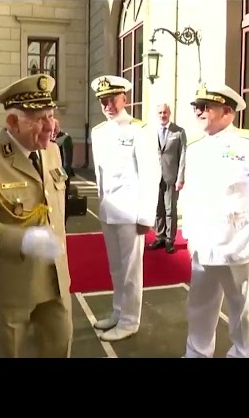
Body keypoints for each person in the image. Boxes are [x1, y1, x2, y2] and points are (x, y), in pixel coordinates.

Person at [0, 73, 73, 358]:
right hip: (12, 286)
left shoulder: (52, 152)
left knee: (59, 350)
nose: (51, 126)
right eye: (39, 119)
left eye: (51, 114)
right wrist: (21, 240)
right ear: (12, 123)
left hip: (55, 280)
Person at [181, 83, 249, 358]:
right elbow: (191, 194)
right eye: (196, 107)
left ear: (228, 111)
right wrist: (188, 235)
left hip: (239, 245)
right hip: (204, 246)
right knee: (199, 307)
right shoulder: (194, 147)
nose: (199, 112)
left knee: (244, 312)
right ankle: (196, 353)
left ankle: (245, 354)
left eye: (206, 107)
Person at [89, 75, 161, 341]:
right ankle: (119, 312)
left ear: (125, 99)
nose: (108, 105)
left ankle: (130, 321)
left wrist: (146, 216)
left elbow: (151, 174)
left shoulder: (139, 129)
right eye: (103, 101)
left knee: (131, 271)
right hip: (109, 210)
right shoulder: (98, 132)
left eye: (113, 99)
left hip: (131, 212)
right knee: (116, 268)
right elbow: (100, 174)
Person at [148, 103, 187, 254]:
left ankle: (170, 240)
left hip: (171, 177)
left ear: (169, 113)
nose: (162, 115)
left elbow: (183, 156)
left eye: (165, 112)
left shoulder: (178, 132)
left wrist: (181, 178)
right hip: (155, 177)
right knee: (158, 209)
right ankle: (159, 237)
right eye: (159, 113)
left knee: (170, 209)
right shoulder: (152, 132)